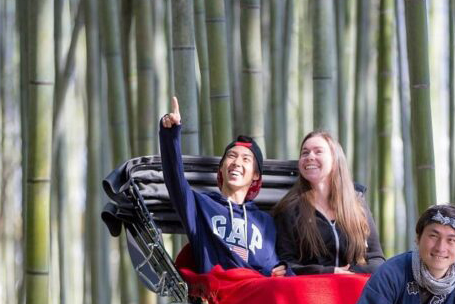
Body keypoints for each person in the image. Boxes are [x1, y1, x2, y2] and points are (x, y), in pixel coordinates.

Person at [159, 97, 286, 276]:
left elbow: (271, 266)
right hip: (218, 294)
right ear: (221, 168)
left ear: (256, 175)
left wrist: (279, 273)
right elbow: (175, 180)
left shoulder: (265, 222)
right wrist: (171, 135)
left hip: (256, 293)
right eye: (231, 156)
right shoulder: (201, 206)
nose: (236, 163)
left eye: (245, 159)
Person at [274, 131, 385, 275]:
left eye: (318, 151)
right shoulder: (289, 209)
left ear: (335, 160)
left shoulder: (356, 203)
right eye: (305, 153)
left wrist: (348, 274)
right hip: (312, 291)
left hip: (356, 287)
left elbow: (376, 259)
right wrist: (329, 272)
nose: (310, 157)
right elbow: (286, 265)